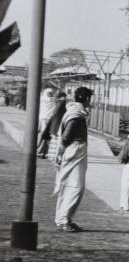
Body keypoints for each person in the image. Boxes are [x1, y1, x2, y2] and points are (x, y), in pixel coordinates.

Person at [53, 86, 92, 232]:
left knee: (68, 186)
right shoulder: (76, 115)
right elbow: (66, 136)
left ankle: (63, 219)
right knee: (76, 187)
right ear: (87, 99)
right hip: (74, 151)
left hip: (74, 151)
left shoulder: (74, 111)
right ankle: (64, 220)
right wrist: (62, 151)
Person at [44, 91, 67, 160]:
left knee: (55, 143)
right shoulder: (61, 105)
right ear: (62, 97)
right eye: (65, 97)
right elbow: (56, 116)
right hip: (57, 127)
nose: (66, 98)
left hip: (55, 126)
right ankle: (55, 157)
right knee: (57, 143)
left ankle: (53, 157)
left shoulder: (58, 104)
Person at [36, 87, 56, 158]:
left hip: (43, 118)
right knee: (45, 135)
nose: (50, 95)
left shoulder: (42, 99)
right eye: (49, 93)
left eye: (51, 93)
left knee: (43, 135)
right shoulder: (53, 100)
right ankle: (42, 151)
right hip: (47, 119)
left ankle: (41, 151)